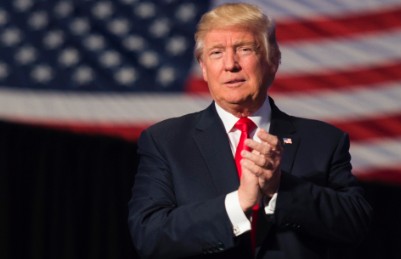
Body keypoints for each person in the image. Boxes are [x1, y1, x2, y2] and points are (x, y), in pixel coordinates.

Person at [128, 3, 372, 259]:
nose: (230, 64)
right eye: (216, 53)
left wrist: (280, 188)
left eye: (244, 49)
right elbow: (149, 235)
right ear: (203, 68)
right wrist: (238, 203)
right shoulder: (166, 141)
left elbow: (355, 225)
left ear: (273, 61)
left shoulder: (324, 141)